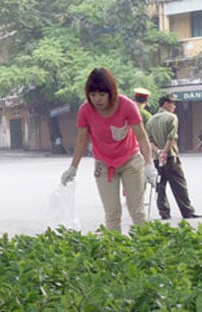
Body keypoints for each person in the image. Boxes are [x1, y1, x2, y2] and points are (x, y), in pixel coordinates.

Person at [61, 68, 155, 233]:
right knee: (112, 213)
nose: (97, 99)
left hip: (130, 161)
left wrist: (149, 164)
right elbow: (82, 140)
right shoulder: (85, 110)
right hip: (103, 165)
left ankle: (144, 250)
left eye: (102, 95)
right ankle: (115, 252)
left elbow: (141, 137)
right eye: (93, 94)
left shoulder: (127, 106)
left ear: (111, 93)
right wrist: (73, 168)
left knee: (137, 210)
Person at [146, 93, 202, 220]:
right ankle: (187, 211)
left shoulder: (151, 120)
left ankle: (164, 212)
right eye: (172, 103)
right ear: (165, 104)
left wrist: (159, 152)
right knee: (179, 184)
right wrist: (165, 152)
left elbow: (149, 141)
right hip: (171, 157)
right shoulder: (172, 117)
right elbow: (171, 137)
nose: (174, 106)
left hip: (157, 158)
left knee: (160, 185)